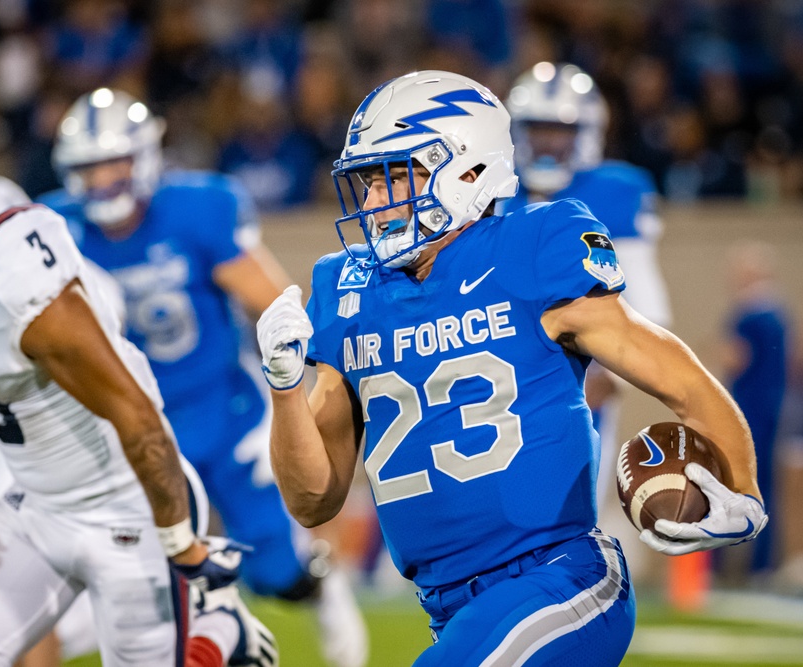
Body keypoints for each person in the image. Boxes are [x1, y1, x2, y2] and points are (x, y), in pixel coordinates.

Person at [256, 70, 768, 665]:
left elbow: (678, 378)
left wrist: (746, 490)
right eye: (369, 182)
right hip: (450, 609)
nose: (375, 202)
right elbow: (313, 500)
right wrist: (285, 387)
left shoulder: (535, 244)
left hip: (561, 580)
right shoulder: (346, 287)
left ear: (469, 170)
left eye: (397, 176)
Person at [0, 99, 276, 667]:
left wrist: (182, 544)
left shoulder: (6, 268)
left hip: (128, 508)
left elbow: (136, 416)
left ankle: (216, 629)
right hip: (35, 507)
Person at [39, 88, 368, 667]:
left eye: (113, 162)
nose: (102, 181)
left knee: (275, 571)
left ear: (143, 158)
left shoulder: (197, 207)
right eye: (89, 168)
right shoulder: (55, 233)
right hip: (136, 422)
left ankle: (319, 584)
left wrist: (313, 371)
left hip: (225, 411)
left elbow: (269, 303)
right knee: (138, 567)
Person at [500, 61, 673, 504]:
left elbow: (647, 303)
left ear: (587, 131)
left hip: (582, 369)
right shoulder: (497, 190)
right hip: (499, 363)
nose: (547, 140)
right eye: (537, 127)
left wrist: (610, 376)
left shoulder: (615, 190)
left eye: (560, 128)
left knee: (570, 505)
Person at [718, 241, 788, 578]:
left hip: (747, 410)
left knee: (729, 481)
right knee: (766, 486)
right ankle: (762, 564)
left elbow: (736, 359)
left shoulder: (750, 314)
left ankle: (718, 563)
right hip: (774, 406)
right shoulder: (779, 313)